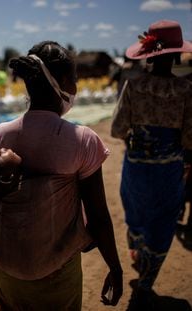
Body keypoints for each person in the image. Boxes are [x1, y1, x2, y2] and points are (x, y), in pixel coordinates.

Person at [0, 40, 123, 310]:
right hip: (56, 272)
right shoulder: (82, 139)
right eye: (74, 78)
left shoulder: (0, 135)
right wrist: (115, 268)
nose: (76, 85)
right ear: (62, 81)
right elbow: (97, 215)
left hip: (7, 265)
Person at [111, 20, 192, 307]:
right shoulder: (186, 90)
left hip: (136, 167)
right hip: (169, 172)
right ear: (177, 55)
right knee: (162, 221)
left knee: (136, 213)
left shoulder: (134, 86)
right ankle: (147, 281)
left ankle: (138, 252)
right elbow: (190, 139)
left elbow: (118, 129)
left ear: (149, 53)